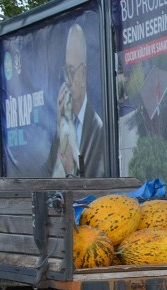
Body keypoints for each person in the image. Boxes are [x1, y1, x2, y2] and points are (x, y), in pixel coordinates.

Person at [48, 24, 107, 178]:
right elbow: (46, 175)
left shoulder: (99, 131)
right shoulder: (62, 124)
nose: (67, 80)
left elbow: (95, 184)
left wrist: (70, 171)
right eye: (66, 71)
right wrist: (58, 122)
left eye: (72, 72)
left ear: (83, 74)